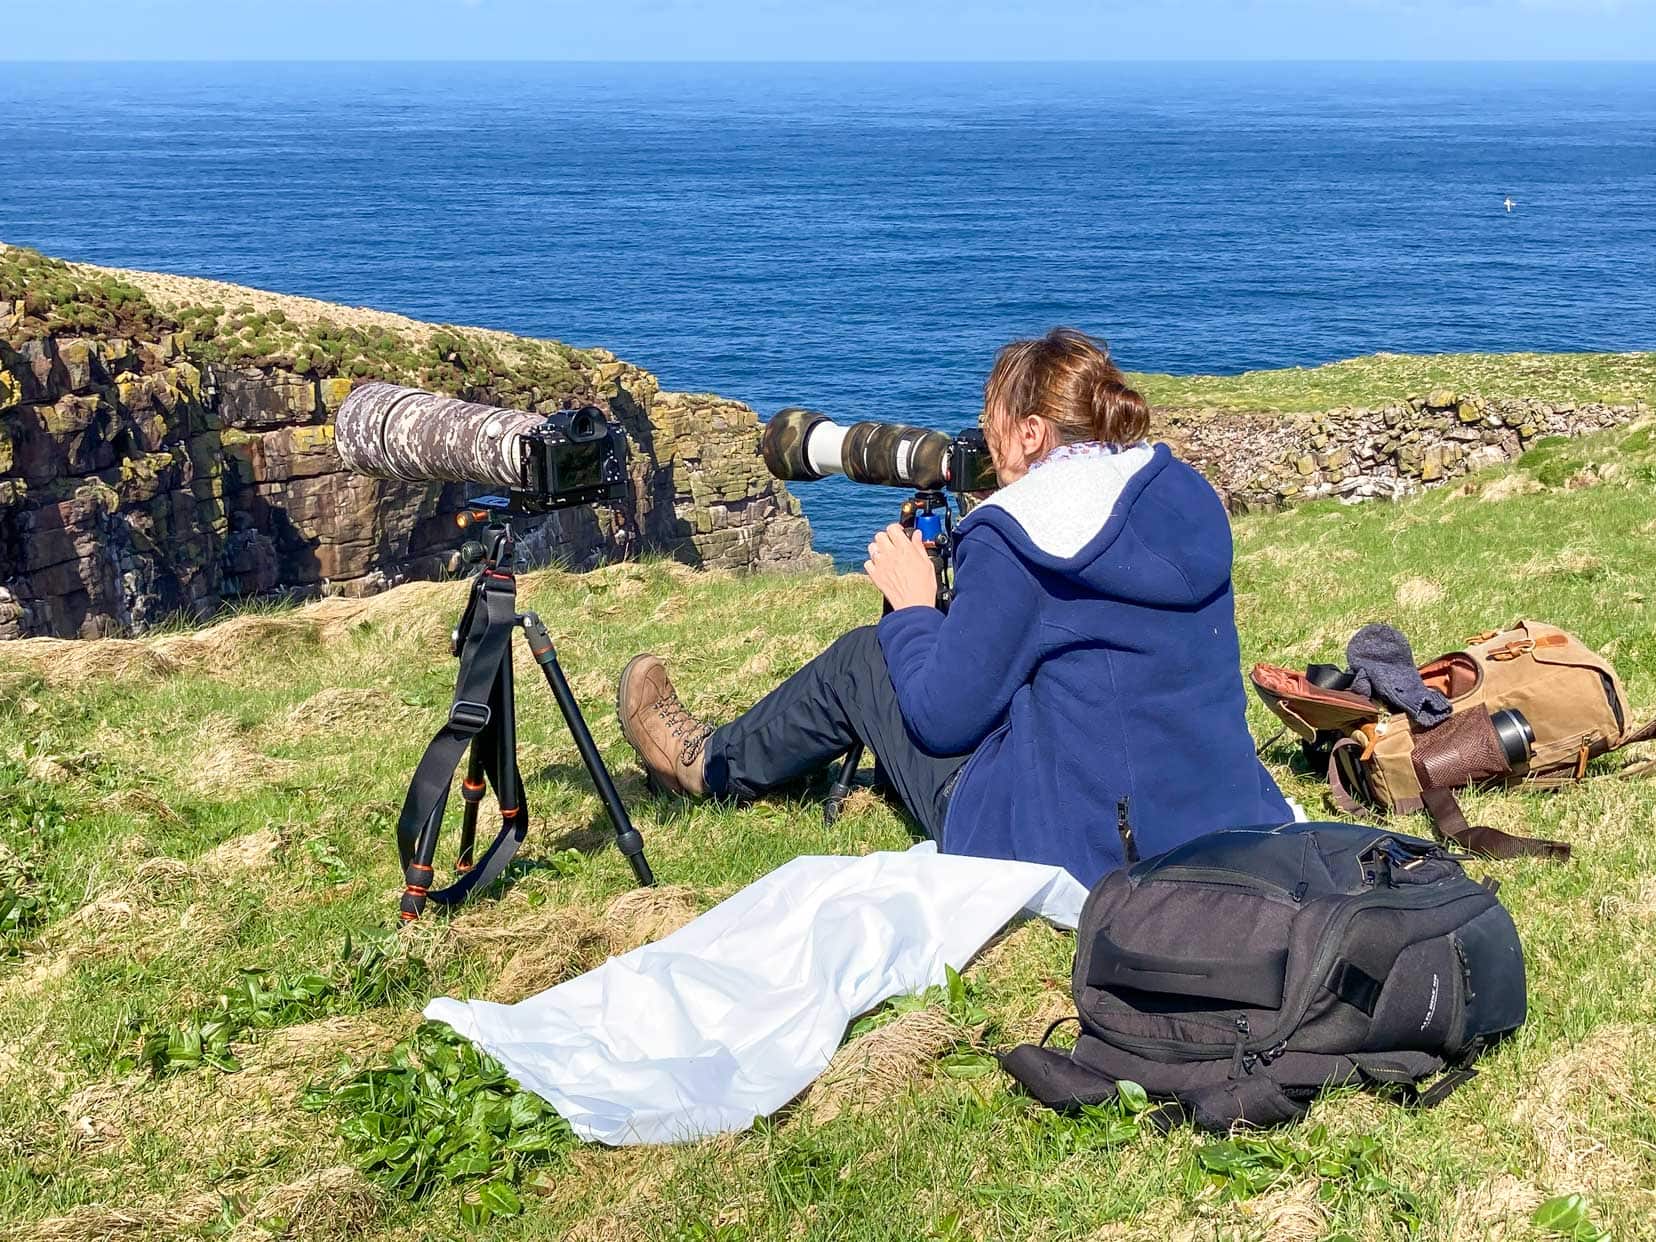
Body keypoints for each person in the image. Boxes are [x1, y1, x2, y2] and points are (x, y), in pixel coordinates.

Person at [616, 328, 1291, 886]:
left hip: (1083, 846)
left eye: (992, 417)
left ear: (1030, 433)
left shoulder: (1021, 530)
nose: (982, 436)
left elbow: (943, 720)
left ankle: (705, 764)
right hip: (1220, 815)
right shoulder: (1179, 491)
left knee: (864, 660)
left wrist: (913, 609)